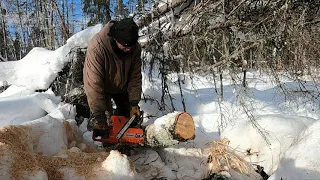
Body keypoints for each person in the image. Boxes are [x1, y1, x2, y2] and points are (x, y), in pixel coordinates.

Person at [83, 18, 142, 136]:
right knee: (107, 124)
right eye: (125, 46)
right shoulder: (98, 47)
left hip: (123, 85)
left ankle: (127, 144)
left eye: (131, 46)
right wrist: (99, 114)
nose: (129, 49)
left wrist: (134, 103)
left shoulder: (134, 48)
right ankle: (110, 148)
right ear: (115, 39)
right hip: (103, 86)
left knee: (128, 120)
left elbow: (135, 76)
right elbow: (93, 82)